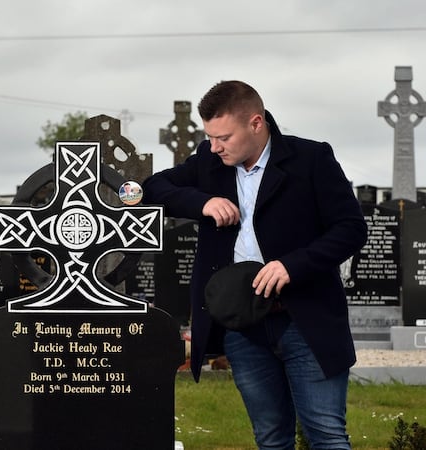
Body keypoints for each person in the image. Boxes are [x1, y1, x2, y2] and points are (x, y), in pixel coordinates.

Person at [142, 80, 367, 449]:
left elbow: (351, 229)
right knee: (271, 439)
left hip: (305, 320)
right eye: (210, 137)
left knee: (326, 435)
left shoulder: (311, 159)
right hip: (242, 326)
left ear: (256, 124)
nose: (215, 147)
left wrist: (292, 266)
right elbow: (153, 188)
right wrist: (202, 203)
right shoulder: (209, 162)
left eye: (224, 137)